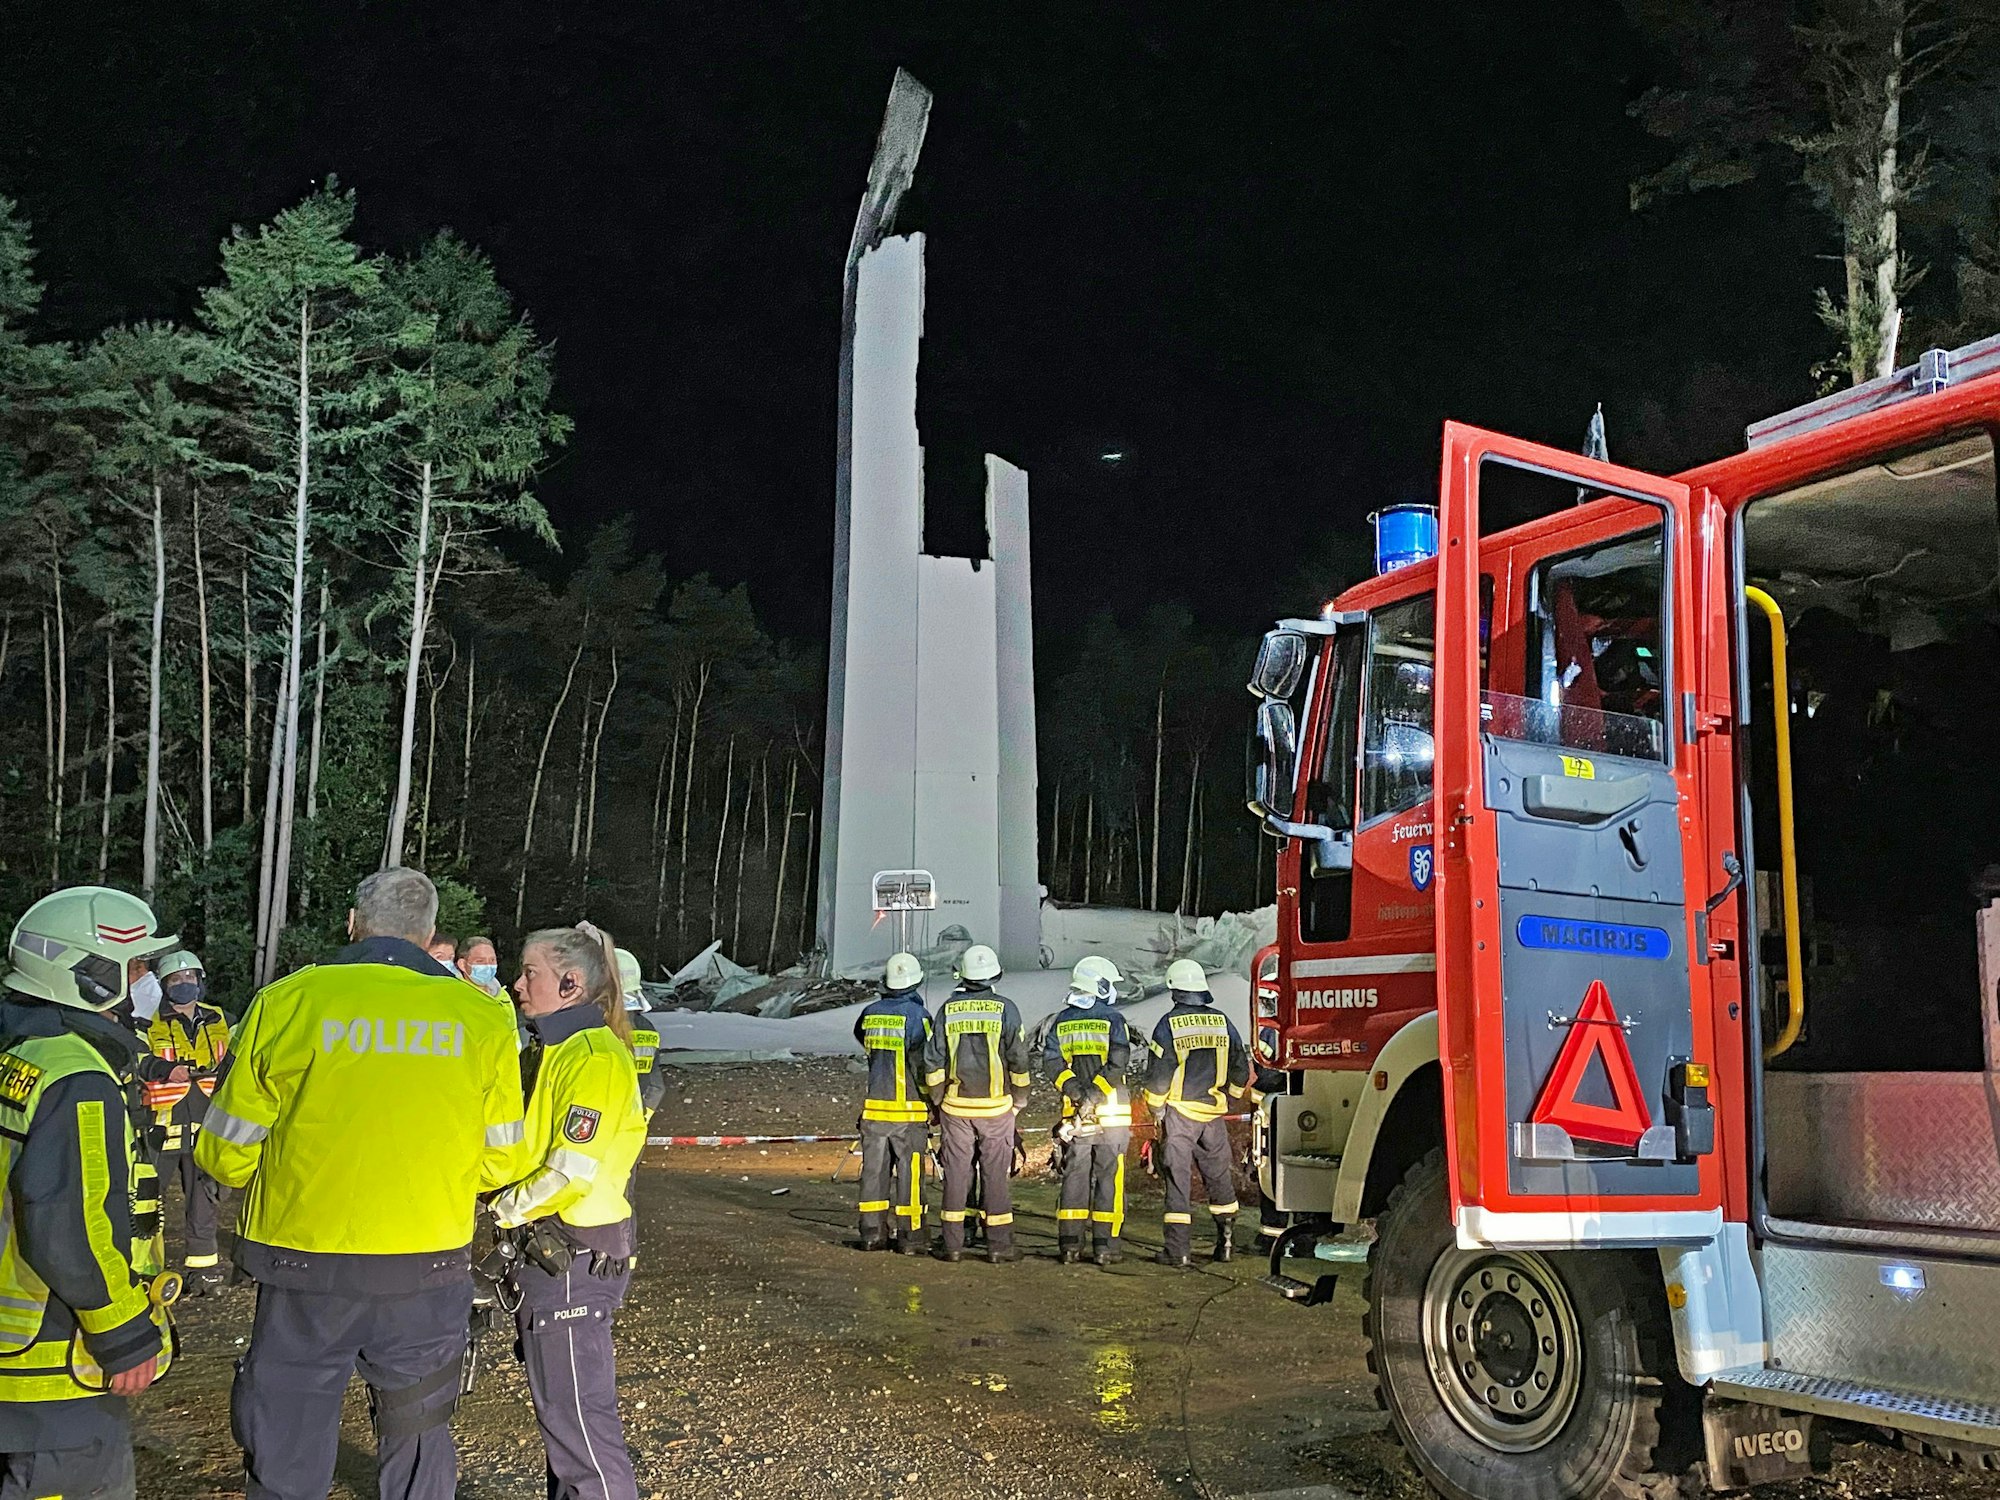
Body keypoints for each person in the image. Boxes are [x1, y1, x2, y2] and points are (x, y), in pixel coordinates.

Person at [195, 868, 526, 1500]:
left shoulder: (287, 1002)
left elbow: (227, 1150)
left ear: (353, 923)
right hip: (426, 1264)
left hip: (303, 1262)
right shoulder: (481, 1018)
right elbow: (503, 1160)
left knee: (288, 1431)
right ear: (430, 936)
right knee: (420, 1428)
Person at [0, 886, 173, 1498]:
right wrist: (123, 1332)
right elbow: (69, 1218)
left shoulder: (22, 1049)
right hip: (55, 1356)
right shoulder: (79, 1077)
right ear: (91, 978)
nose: (149, 980)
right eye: (137, 967)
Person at [493, 926, 647, 1500]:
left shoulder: (592, 1056)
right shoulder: (559, 1050)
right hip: (560, 1253)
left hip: (571, 1256)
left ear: (570, 982)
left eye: (528, 972)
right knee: (566, 1425)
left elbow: (567, 1172)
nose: (515, 984)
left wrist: (500, 1211)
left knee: (581, 1428)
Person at [922, 944, 1029, 1264]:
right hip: (997, 1109)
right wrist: (1020, 1100)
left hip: (956, 1108)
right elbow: (1019, 1059)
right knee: (995, 1175)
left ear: (963, 977)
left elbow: (933, 1062)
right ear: (994, 976)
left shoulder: (948, 1009)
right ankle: (999, 1246)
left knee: (957, 1175)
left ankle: (953, 1243)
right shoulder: (1006, 1009)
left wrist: (938, 1101)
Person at [134, 949, 231, 1293]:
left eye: (190, 978)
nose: (184, 984)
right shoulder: (147, 1020)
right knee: (145, 1202)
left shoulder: (219, 1018)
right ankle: (143, 1273)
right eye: (176, 979)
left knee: (203, 1201)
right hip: (161, 1126)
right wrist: (166, 1070)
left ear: (200, 982)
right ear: (164, 985)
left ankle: (203, 1273)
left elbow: (237, 1056)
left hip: (204, 1123)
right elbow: (138, 1057)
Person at [1142, 959, 1250, 1268]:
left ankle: (1178, 1251)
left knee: (1178, 1182)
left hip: (1180, 1115)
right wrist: (1229, 1098)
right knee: (1219, 1180)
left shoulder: (1169, 1025)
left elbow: (1159, 1075)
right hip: (1213, 1116)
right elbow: (1240, 1068)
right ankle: (1226, 1245)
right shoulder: (1222, 1022)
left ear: (1175, 991)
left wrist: (1156, 1108)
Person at [1044, 955, 1132, 1266]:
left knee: (1075, 1177)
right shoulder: (1114, 1020)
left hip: (1076, 1117)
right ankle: (1106, 1247)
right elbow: (1117, 1063)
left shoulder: (1061, 1021)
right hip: (1111, 1115)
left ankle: (1070, 1246)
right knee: (1109, 1178)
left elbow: (1052, 1063)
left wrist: (1076, 1093)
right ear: (1101, 986)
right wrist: (1094, 1094)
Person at [853, 952, 931, 1254]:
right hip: (908, 1112)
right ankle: (911, 1238)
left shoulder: (870, 1013)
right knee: (910, 1176)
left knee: (873, 1174)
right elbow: (924, 1064)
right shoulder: (918, 1017)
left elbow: (862, 1039)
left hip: (874, 1110)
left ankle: (872, 1234)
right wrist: (932, 1100)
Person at [613, 947, 664, 1117]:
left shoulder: (594, 1030)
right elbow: (656, 1088)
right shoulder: (647, 1029)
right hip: (631, 1132)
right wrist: (641, 1120)